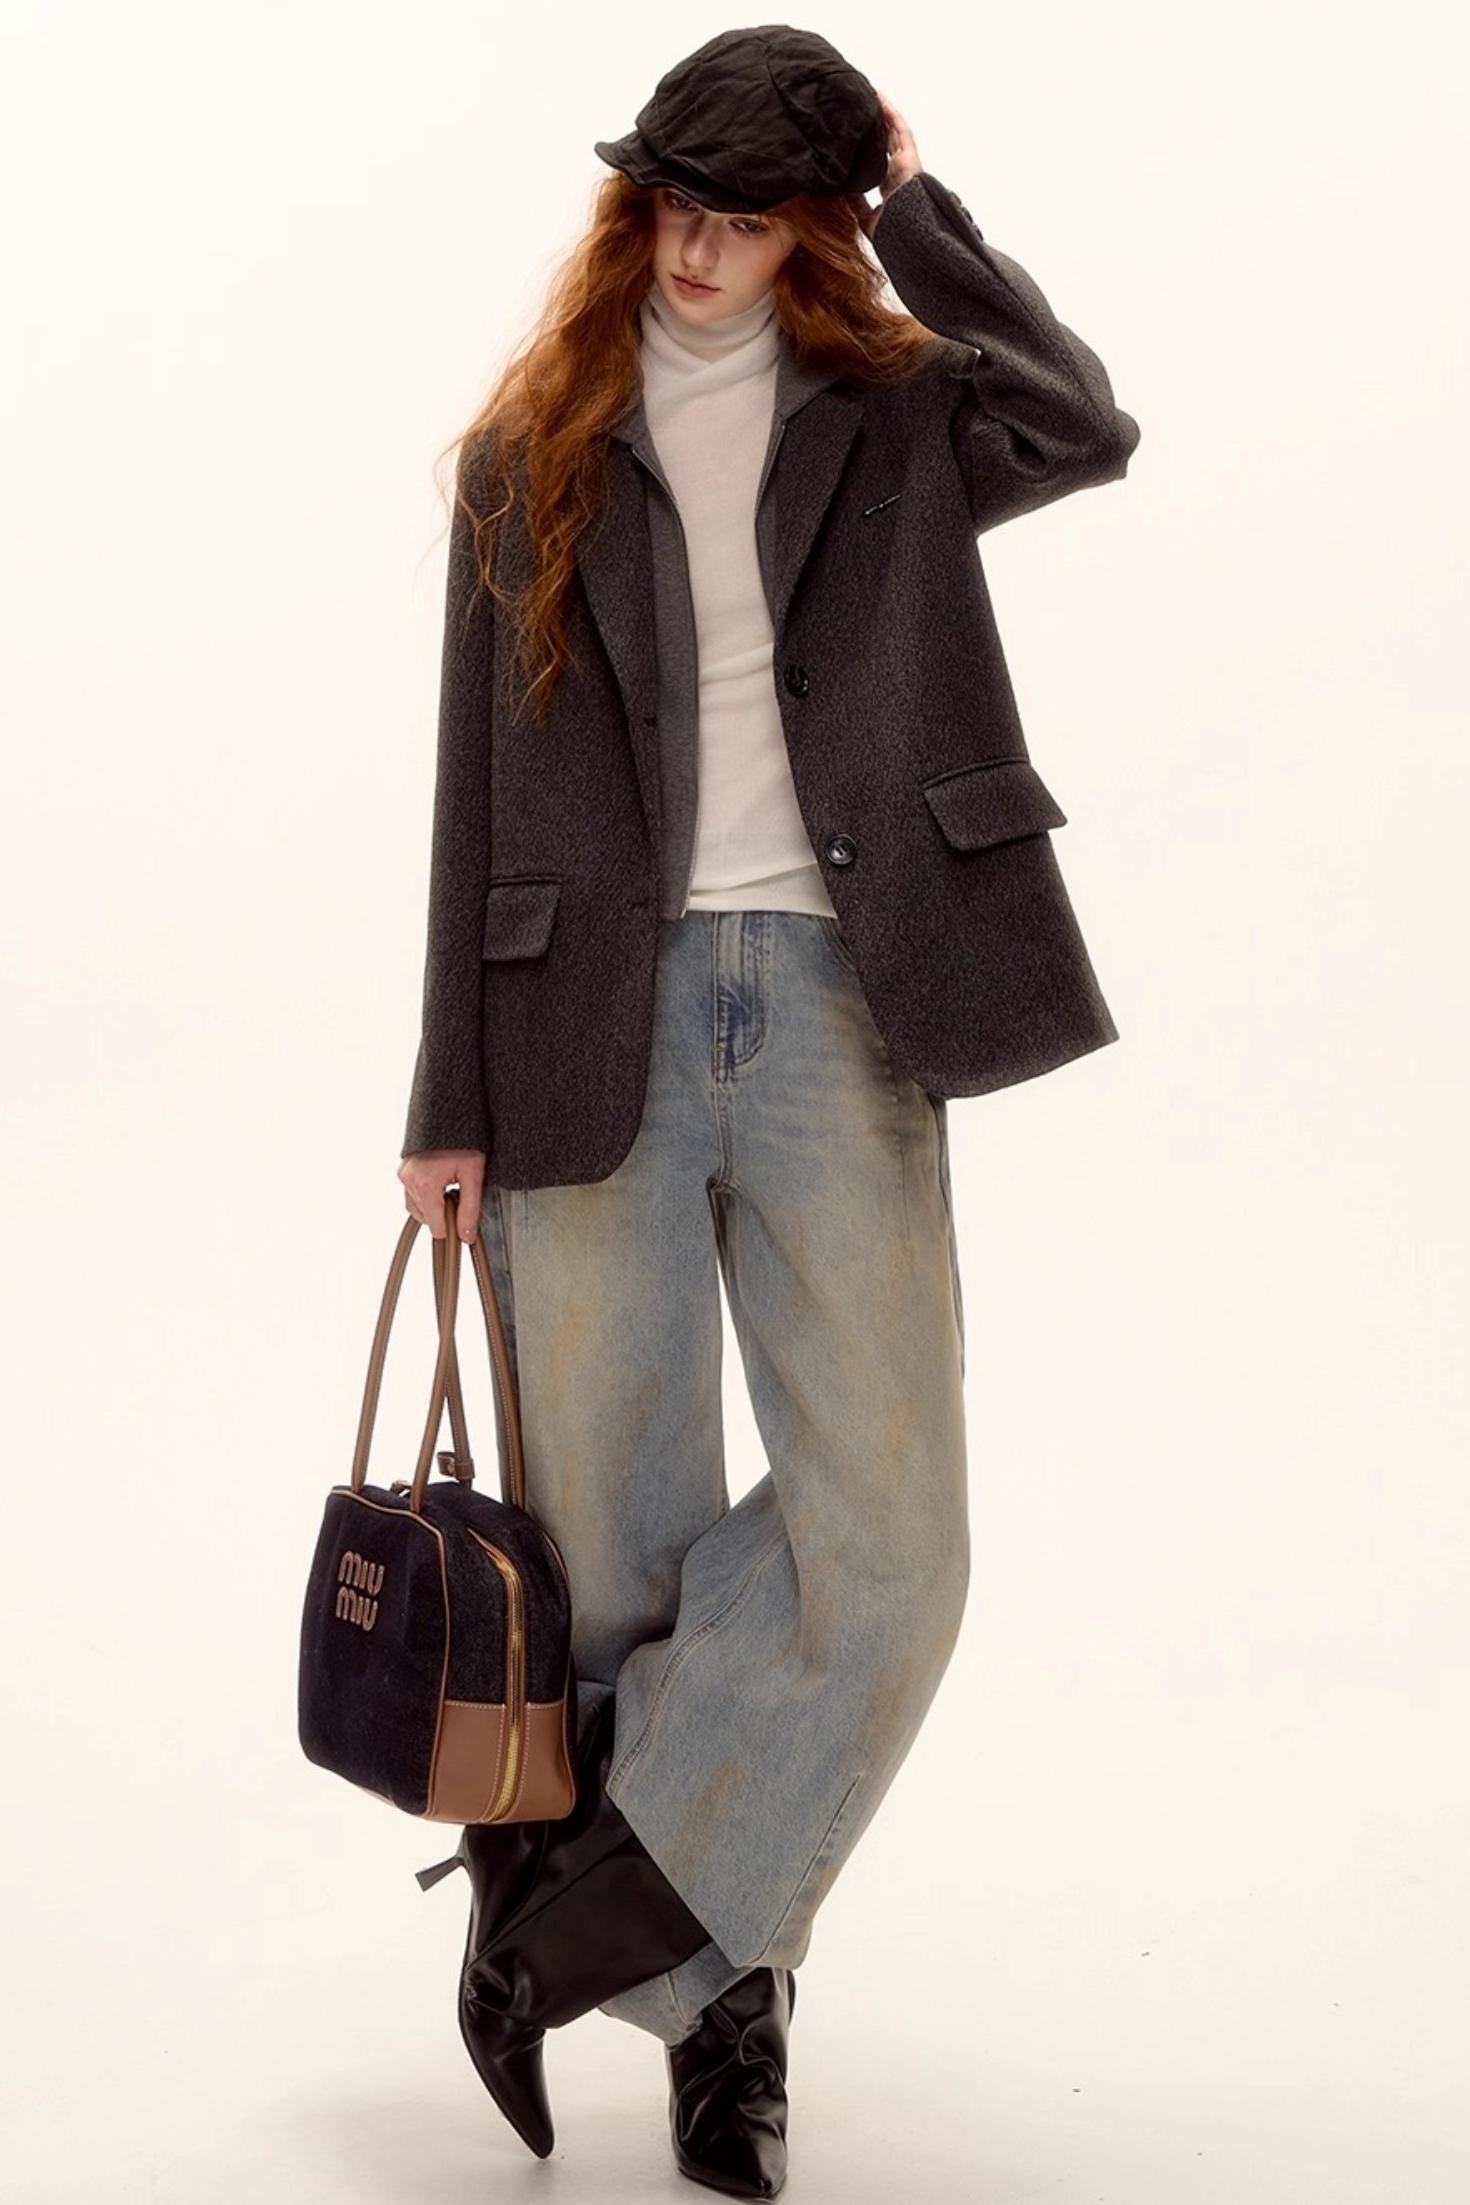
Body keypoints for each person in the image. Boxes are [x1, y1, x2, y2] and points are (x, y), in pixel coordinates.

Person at [397, 26, 1140, 2199]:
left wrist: (913, 203)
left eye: (748, 218)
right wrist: (443, 1099)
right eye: (675, 210)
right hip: (585, 1019)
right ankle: (729, 2013)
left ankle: (563, 1914)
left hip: (837, 998)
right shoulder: (529, 448)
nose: (702, 255)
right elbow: (468, 789)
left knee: (889, 1537)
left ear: (811, 225)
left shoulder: (897, 409)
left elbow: (1085, 420)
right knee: (620, 1556)